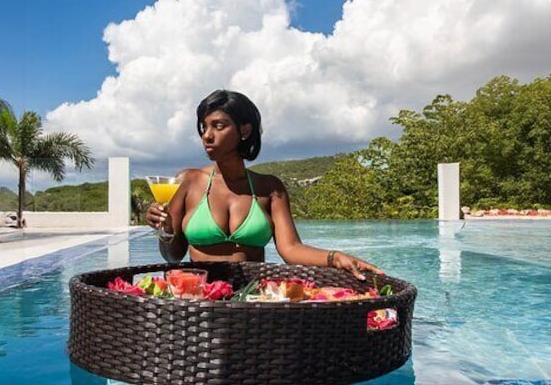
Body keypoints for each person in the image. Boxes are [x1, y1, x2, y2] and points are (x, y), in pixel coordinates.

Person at [146, 89, 380, 280]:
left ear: (244, 131)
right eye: (203, 127)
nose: (207, 135)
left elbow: (291, 249)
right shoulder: (187, 182)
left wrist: (334, 257)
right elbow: (173, 257)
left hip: (254, 301)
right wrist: (165, 231)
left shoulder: (270, 189)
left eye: (218, 126)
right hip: (199, 299)